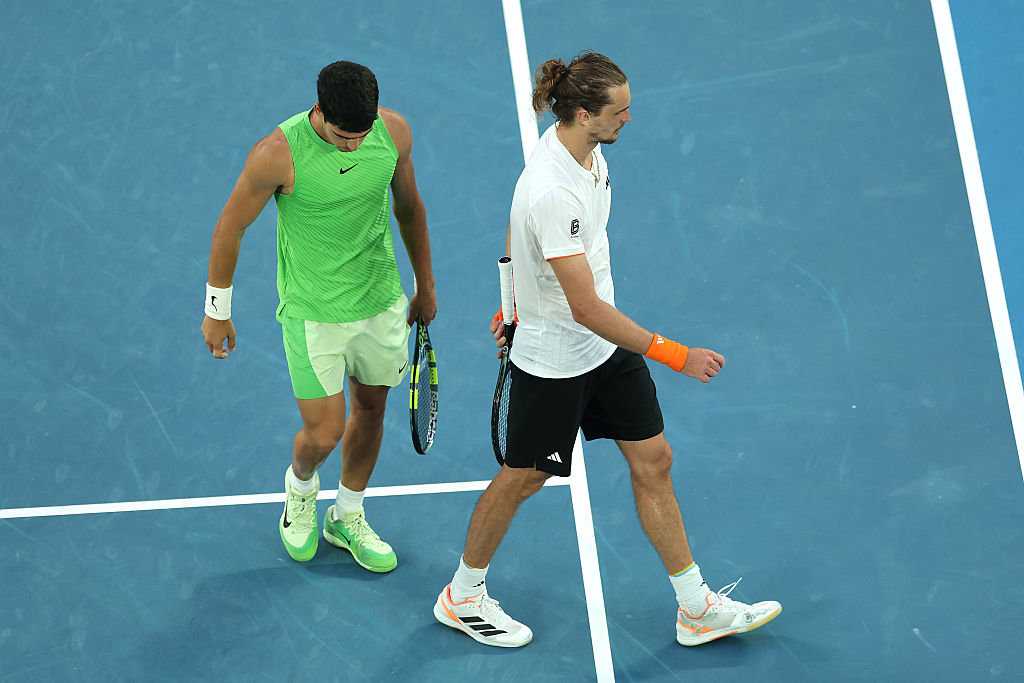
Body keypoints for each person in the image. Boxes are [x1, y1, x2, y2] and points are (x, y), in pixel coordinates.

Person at [433, 51, 780, 648]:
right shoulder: (552, 190)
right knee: (524, 478)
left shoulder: (585, 153)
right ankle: (462, 596)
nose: (628, 120)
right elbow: (582, 306)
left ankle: (694, 608)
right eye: (619, 113)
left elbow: (526, 244)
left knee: (655, 461)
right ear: (583, 112)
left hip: (604, 348)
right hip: (556, 361)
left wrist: (510, 301)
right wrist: (676, 355)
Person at [201, 60, 436, 573]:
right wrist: (217, 310)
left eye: (361, 134)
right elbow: (230, 227)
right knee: (323, 434)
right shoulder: (277, 155)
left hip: (379, 301)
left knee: (372, 411)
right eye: (340, 134)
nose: (352, 145)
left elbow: (410, 209)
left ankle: (347, 514)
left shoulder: (392, 133)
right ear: (319, 111)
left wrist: (426, 285)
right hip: (313, 315)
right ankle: (300, 491)